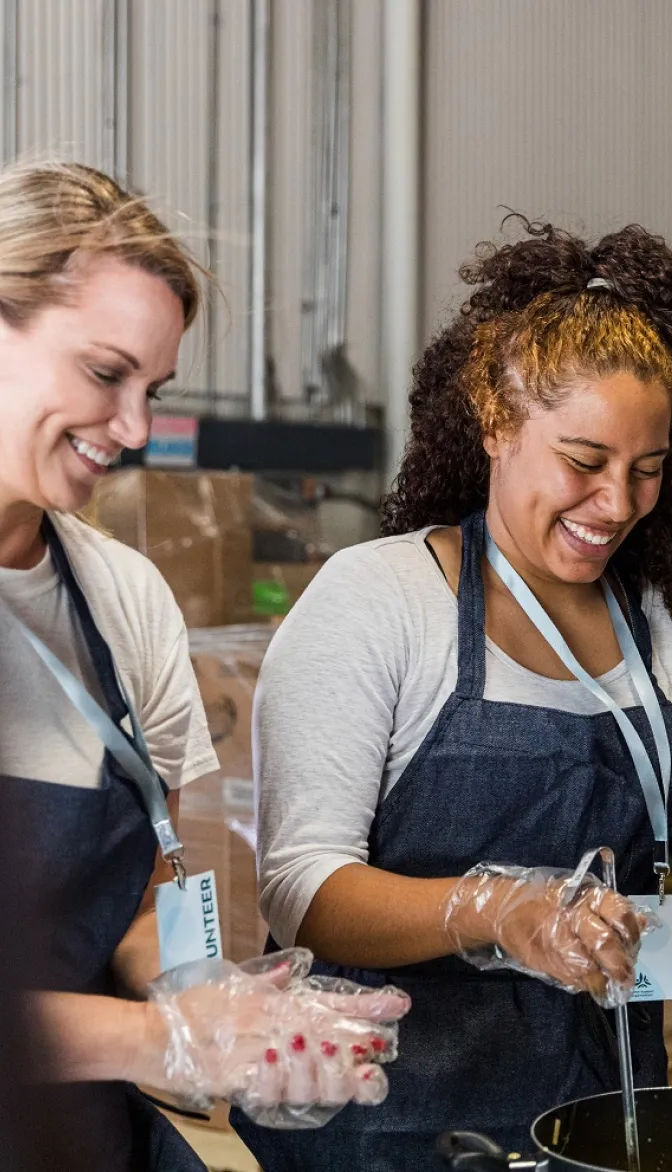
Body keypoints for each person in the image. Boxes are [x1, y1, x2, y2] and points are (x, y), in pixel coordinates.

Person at [235, 221, 672, 1172]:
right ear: (496, 422)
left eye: (646, 470)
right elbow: (304, 888)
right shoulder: (380, 601)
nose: (616, 503)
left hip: (594, 1118)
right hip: (380, 1123)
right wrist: (494, 910)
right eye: (584, 461)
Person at [0, 161, 409, 1172]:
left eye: (153, 390)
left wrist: (214, 1002)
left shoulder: (122, 599)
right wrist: (160, 1038)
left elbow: (147, 898)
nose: (136, 430)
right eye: (105, 374)